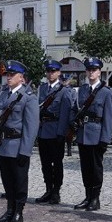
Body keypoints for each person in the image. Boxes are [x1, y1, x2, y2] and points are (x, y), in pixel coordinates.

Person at [0, 60, 39, 222]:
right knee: (7, 181)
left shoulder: (28, 98)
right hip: (3, 145)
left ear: (21, 78)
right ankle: (9, 210)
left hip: (17, 146)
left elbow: (31, 127)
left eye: (11, 75)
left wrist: (25, 150)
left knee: (19, 181)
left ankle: (18, 211)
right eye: (7, 75)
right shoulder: (3, 95)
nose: (8, 78)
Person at [71, 57, 112, 212]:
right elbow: (76, 110)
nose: (91, 72)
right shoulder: (82, 90)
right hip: (83, 133)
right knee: (85, 167)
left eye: (94, 70)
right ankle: (88, 196)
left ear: (99, 72)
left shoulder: (105, 92)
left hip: (96, 135)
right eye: (88, 70)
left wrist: (105, 139)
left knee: (96, 168)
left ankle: (95, 198)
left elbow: (108, 117)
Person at [35, 59, 73, 205]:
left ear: (59, 73)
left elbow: (65, 113)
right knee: (45, 164)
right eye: (48, 71)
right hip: (43, 131)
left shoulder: (63, 91)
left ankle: (56, 191)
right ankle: (48, 189)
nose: (50, 74)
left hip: (56, 131)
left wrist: (61, 133)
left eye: (53, 71)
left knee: (57, 164)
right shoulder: (42, 89)